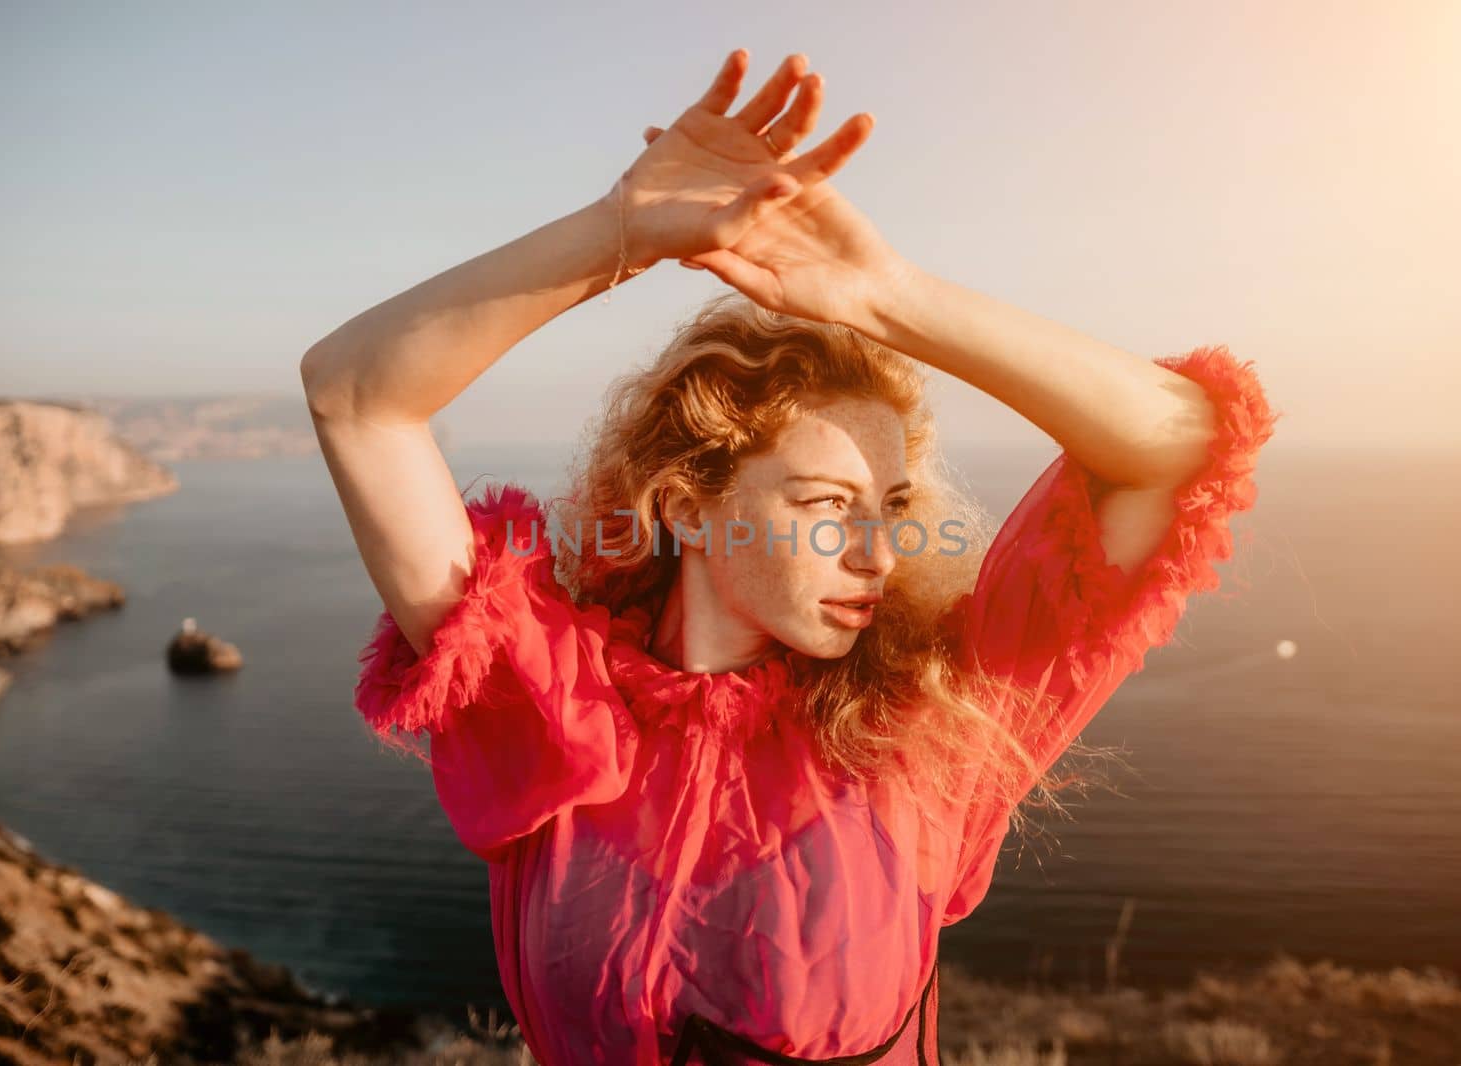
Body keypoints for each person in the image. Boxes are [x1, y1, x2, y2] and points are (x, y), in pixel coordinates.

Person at [302, 48, 1279, 1066]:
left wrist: (890, 297)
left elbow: (1175, 444)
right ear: (689, 505)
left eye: (891, 506)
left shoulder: (929, 728)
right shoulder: (546, 700)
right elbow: (354, 395)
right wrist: (622, 233)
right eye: (825, 504)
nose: (879, 551)